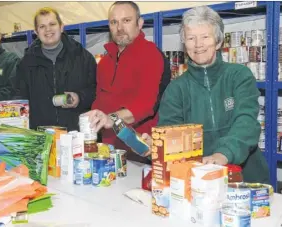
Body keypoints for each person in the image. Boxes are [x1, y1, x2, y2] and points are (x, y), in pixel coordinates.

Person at [145, 6, 269, 183]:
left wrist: (223, 154)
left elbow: (246, 121)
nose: (198, 44)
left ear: (218, 42)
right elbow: (171, 134)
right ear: (184, 44)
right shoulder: (176, 89)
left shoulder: (239, 76)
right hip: (198, 182)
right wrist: (157, 146)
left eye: (205, 37)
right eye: (191, 38)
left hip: (245, 180)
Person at [83, 1, 167, 163]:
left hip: (141, 153)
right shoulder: (105, 62)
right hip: (108, 152)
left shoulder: (151, 55)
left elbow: (146, 105)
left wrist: (111, 118)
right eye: (114, 22)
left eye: (126, 21)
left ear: (139, 23)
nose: (119, 28)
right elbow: (99, 102)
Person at [14, 7, 96, 131]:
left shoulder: (82, 57)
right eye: (42, 26)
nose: (48, 30)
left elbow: (96, 90)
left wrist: (80, 97)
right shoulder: (26, 63)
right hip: (42, 136)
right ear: (36, 31)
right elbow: (19, 98)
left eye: (52, 24)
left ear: (61, 27)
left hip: (76, 134)